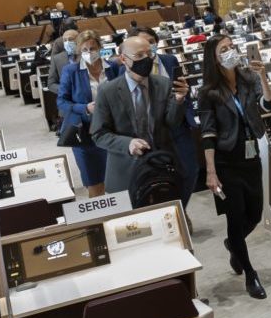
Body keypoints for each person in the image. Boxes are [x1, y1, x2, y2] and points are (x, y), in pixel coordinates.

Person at [199, 34, 271, 299]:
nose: (231, 51)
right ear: (214, 57)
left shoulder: (248, 78)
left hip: (251, 154)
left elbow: (269, 103)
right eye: (224, 49)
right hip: (226, 160)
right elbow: (208, 133)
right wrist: (210, 171)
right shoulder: (208, 91)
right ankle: (250, 275)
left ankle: (234, 244)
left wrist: (264, 77)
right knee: (235, 215)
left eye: (232, 47)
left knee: (255, 213)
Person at [90, 35, 188, 195]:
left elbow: (172, 123)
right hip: (125, 172)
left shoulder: (163, 84)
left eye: (149, 54)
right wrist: (128, 144)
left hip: (163, 167)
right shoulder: (108, 91)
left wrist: (178, 100)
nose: (146, 59)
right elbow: (98, 134)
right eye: (139, 55)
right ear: (123, 59)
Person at [120, 27, 201, 207]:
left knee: (190, 170)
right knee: (157, 174)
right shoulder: (124, 70)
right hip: (151, 132)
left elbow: (181, 87)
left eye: (151, 41)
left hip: (178, 124)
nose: (148, 46)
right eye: (142, 44)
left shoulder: (169, 60)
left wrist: (182, 99)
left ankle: (181, 208)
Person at [58, 31, 110, 197]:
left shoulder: (113, 68)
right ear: (80, 51)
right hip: (85, 136)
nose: (89, 52)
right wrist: (85, 108)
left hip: (113, 132)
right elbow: (62, 102)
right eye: (85, 49)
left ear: (100, 47)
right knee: (95, 184)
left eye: (93, 48)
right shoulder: (71, 71)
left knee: (118, 182)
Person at [47, 29, 77, 95]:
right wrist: (65, 90)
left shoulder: (86, 55)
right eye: (65, 40)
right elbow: (51, 84)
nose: (67, 42)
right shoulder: (57, 59)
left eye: (70, 39)